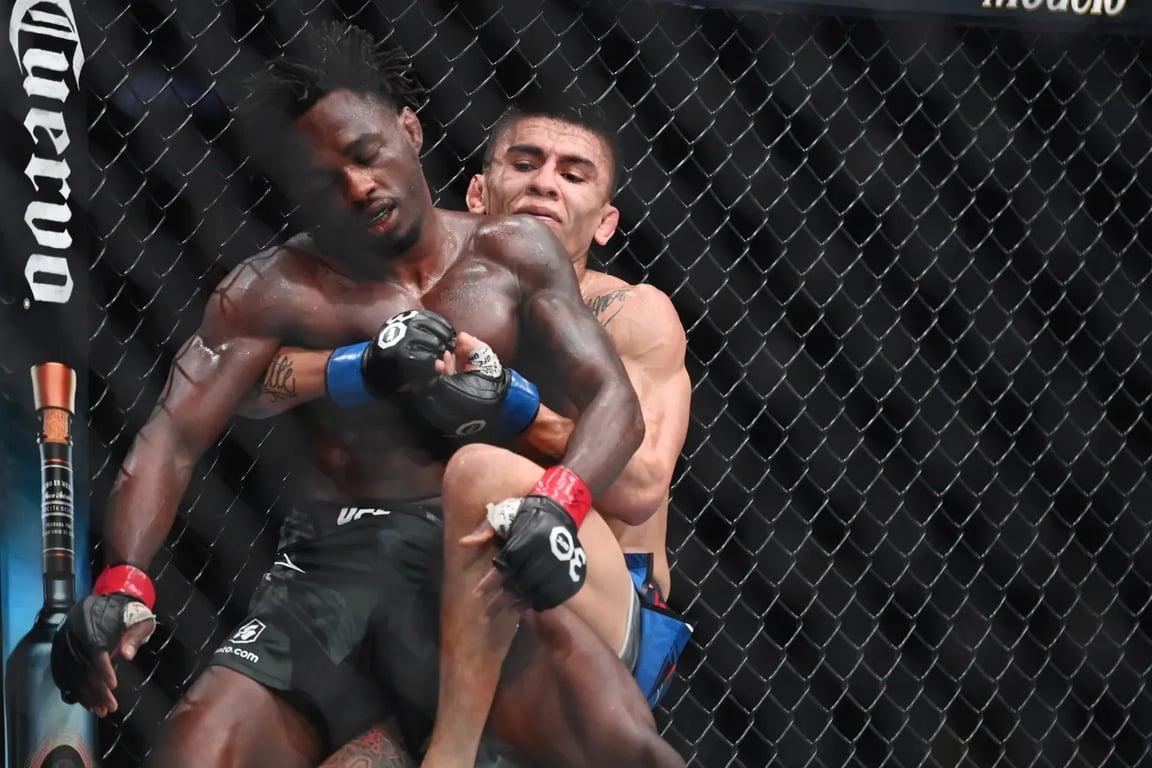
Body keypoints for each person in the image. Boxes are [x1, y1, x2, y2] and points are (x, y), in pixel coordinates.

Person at [48, 22, 676, 768]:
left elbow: (614, 403)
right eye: (324, 180)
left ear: (408, 131)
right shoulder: (274, 288)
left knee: (629, 749)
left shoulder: (512, 255)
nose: (356, 187)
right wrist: (124, 578)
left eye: (365, 154)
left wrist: (559, 503)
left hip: (472, 557)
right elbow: (174, 435)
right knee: (196, 749)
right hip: (330, 574)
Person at [241, 97, 694, 767]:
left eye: (575, 174)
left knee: (482, 472)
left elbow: (641, 486)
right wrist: (357, 366)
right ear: (479, 192)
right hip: (457, 607)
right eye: (525, 162)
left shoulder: (631, 314)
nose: (545, 182)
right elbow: (252, 382)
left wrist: (511, 404)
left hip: (587, 592)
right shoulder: (424, 301)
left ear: (605, 223)